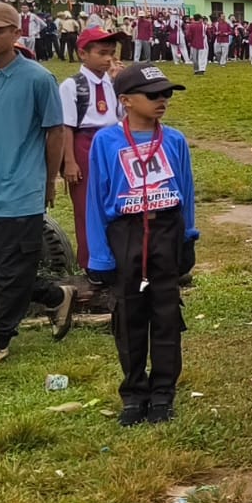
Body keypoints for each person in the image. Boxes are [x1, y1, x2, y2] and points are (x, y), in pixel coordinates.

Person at [84, 63, 196, 425]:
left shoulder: (174, 140)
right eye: (153, 95)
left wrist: (188, 237)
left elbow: (187, 193)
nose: (162, 101)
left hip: (166, 229)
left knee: (166, 313)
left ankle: (163, 392)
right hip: (126, 232)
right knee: (130, 315)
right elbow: (97, 198)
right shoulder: (106, 141)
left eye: (166, 94)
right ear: (127, 101)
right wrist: (99, 254)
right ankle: (134, 393)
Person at [0, 2, 76, 363]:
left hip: (20, 189)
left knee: (14, 267)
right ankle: (55, 297)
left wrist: (50, 180)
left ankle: (0, 339)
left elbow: (55, 131)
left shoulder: (38, 79)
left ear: (16, 33)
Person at [59, 28, 123, 270]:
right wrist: (70, 162)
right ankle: (90, 263)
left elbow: (120, 115)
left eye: (112, 53)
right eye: (102, 53)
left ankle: (115, 257)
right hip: (84, 143)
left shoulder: (111, 82)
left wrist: (121, 84)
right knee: (86, 207)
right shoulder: (72, 85)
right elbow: (66, 125)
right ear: (83, 54)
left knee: (113, 202)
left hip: (110, 144)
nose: (108, 59)